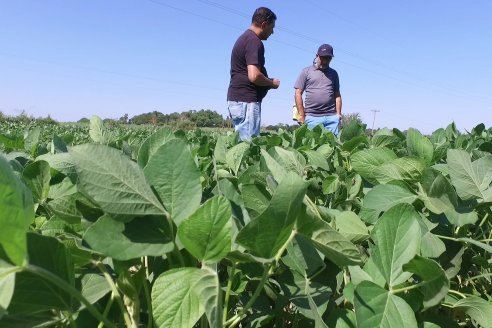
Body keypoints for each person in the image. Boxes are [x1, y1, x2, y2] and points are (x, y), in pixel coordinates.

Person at [227, 7, 281, 141]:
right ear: (263, 25)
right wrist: (271, 83)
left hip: (238, 99)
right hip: (247, 101)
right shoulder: (253, 41)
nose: (272, 32)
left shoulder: (244, 38)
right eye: (272, 27)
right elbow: (254, 75)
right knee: (248, 147)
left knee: (241, 146)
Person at [294, 44, 342, 135]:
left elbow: (337, 95)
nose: (325, 60)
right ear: (317, 56)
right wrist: (301, 114)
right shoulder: (306, 71)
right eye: (323, 57)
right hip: (312, 116)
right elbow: (298, 93)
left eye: (328, 57)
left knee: (333, 146)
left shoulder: (334, 73)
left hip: (331, 117)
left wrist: (338, 113)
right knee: (312, 146)